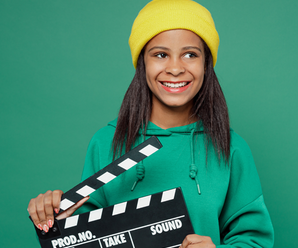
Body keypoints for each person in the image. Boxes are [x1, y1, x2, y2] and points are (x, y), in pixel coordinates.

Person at [28, 0, 274, 247]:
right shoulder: (105, 143)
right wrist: (53, 220)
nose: (175, 68)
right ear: (143, 63)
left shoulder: (231, 148)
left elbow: (254, 240)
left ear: (206, 64)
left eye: (190, 54)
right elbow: (87, 239)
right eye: (160, 54)